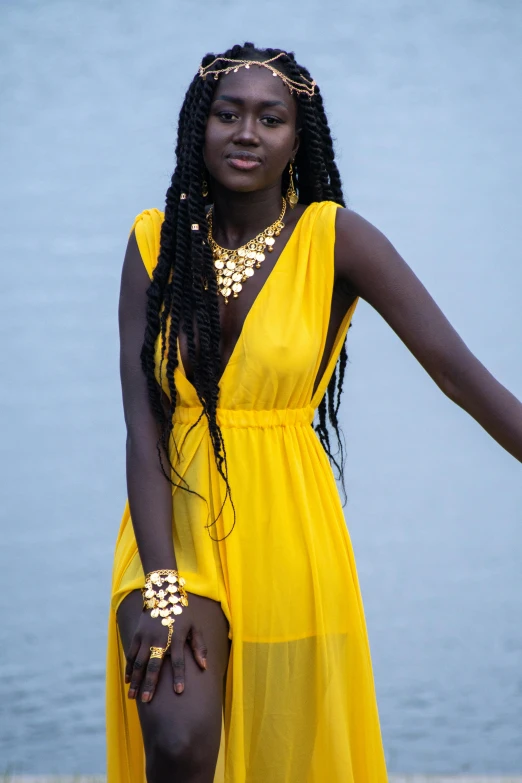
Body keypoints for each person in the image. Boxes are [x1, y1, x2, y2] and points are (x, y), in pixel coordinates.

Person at [106, 42, 522, 783]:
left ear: (299, 137)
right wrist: (160, 582)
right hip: (171, 524)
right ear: (199, 124)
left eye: (272, 118)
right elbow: (143, 423)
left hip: (288, 535)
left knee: (286, 752)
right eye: (228, 114)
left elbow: (458, 374)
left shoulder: (335, 239)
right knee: (176, 737)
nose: (247, 133)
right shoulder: (153, 243)